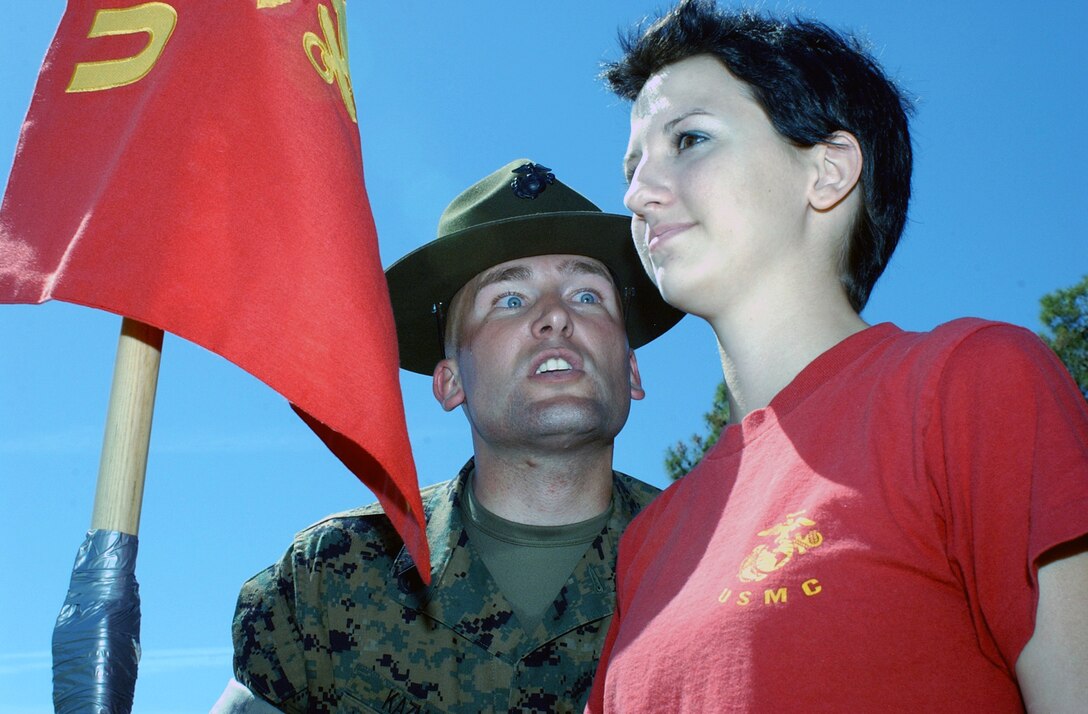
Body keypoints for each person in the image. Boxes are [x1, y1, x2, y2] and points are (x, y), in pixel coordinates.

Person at [586, 1, 1088, 711]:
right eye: (632, 167)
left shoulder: (972, 385)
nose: (637, 195)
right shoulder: (648, 543)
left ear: (828, 172)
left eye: (690, 140)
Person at [211, 158, 683, 713]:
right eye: (509, 299)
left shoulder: (716, 561)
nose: (556, 317)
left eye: (586, 296)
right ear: (451, 381)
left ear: (630, 369)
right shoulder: (326, 580)